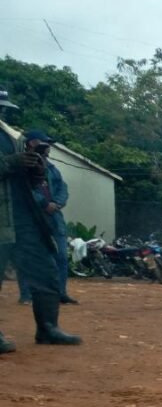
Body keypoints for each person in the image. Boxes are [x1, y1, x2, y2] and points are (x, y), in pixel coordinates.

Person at [0, 87, 80, 348]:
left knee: (44, 268)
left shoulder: (10, 136)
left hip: (24, 215)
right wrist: (11, 163)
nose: (2, 112)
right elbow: (8, 165)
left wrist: (34, 169)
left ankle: (48, 327)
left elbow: (28, 178)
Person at [24, 129, 76, 305]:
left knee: (61, 256)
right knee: (31, 257)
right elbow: (26, 189)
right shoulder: (25, 165)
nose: (49, 147)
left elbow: (63, 188)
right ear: (32, 143)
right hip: (35, 217)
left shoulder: (53, 168)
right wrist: (44, 204)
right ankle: (27, 295)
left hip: (55, 216)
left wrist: (57, 203)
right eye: (45, 143)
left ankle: (60, 293)